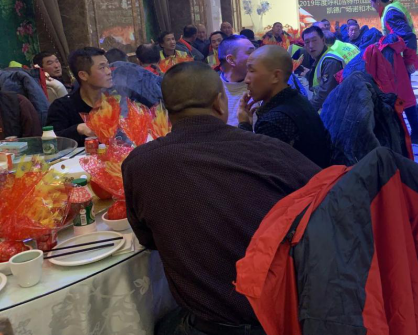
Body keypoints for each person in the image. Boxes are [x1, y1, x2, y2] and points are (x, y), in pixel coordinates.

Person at [122, 62, 320, 335]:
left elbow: (148, 240)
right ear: (219, 102)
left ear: (165, 112)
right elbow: (330, 200)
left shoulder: (139, 165)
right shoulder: (270, 150)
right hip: (287, 314)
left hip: (208, 324)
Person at [238, 45, 331, 168]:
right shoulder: (296, 98)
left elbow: (258, 167)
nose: (246, 80)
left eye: (252, 71)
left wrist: (244, 126)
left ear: (276, 76)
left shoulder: (274, 121)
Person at [369, 0, 418, 144]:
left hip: (400, 61)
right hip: (398, 60)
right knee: (403, 96)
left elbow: (408, 37)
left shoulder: (391, 13)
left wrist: (409, 61)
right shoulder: (393, 7)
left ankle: (416, 133)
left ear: (377, 1)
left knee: (404, 97)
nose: (372, 6)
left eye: (371, 3)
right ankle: (413, 133)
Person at [46, 47, 112, 146]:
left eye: (108, 66)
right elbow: (51, 142)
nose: (109, 71)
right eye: (102, 68)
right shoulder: (62, 106)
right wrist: (78, 129)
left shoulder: (118, 99)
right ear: (83, 75)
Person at [303, 25, 359, 111]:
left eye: (314, 40)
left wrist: (307, 110)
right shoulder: (325, 56)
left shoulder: (330, 61)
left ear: (323, 40)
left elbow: (324, 94)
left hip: (337, 109)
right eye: (307, 42)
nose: (311, 45)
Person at [218, 35, 256, 126]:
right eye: (250, 52)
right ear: (231, 60)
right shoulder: (211, 88)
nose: (257, 57)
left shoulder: (260, 86)